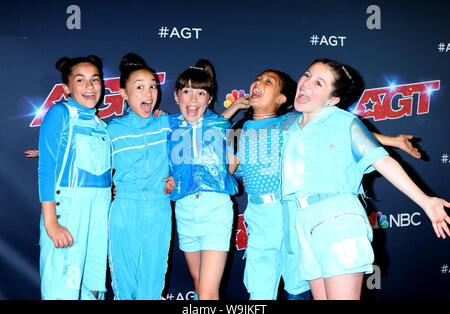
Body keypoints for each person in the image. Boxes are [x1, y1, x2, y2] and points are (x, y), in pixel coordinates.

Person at [223, 69, 421, 300]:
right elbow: (224, 160)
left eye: (269, 82)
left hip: (292, 212)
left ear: (281, 99)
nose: (259, 82)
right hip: (259, 218)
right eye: (258, 79)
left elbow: (346, 133)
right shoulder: (235, 133)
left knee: (298, 287)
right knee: (258, 290)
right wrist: (234, 108)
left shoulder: (292, 122)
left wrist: (394, 141)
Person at [280, 57, 450, 300]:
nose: (306, 83)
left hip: (337, 219)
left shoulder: (343, 121)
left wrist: (425, 201)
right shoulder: (293, 129)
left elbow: (383, 161)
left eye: (319, 83)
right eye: (307, 75)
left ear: (333, 100)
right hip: (303, 222)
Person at [38, 55, 112, 300]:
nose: (89, 86)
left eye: (95, 79)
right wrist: (52, 223)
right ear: (67, 88)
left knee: (91, 289)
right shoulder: (59, 113)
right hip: (68, 216)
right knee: (63, 290)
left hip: (98, 219)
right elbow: (46, 170)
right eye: (80, 80)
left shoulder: (102, 125)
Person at [167, 59, 238, 300]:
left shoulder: (223, 125)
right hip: (184, 210)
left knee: (208, 293)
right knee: (198, 284)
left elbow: (233, 164)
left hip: (215, 209)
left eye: (201, 92)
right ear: (176, 96)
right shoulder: (167, 126)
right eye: (186, 91)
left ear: (209, 98)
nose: (193, 99)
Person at [106, 53, 174, 300]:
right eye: (140, 87)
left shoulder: (167, 123)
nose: (148, 93)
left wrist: (177, 175)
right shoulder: (113, 130)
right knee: (125, 285)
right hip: (124, 210)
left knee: (152, 284)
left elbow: (197, 149)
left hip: (159, 209)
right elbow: (93, 165)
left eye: (153, 86)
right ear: (123, 93)